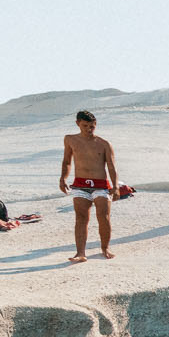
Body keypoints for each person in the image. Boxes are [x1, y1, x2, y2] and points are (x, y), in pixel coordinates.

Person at [59, 110, 118, 261]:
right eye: (85, 126)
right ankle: (80, 253)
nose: (89, 129)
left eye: (92, 126)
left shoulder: (104, 144)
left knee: (103, 217)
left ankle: (105, 248)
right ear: (78, 123)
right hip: (80, 184)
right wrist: (63, 179)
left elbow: (111, 167)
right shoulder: (70, 140)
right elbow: (67, 162)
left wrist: (115, 186)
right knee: (81, 218)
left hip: (101, 185)